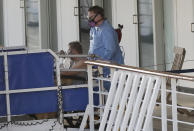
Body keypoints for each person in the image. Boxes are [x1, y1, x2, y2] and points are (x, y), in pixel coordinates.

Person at [87, 6, 124, 90]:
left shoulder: (106, 30)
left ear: (99, 16)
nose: (89, 20)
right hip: (99, 69)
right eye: (88, 17)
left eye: (91, 17)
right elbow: (92, 48)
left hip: (110, 69)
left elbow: (110, 51)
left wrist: (99, 63)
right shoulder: (93, 29)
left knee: (114, 93)